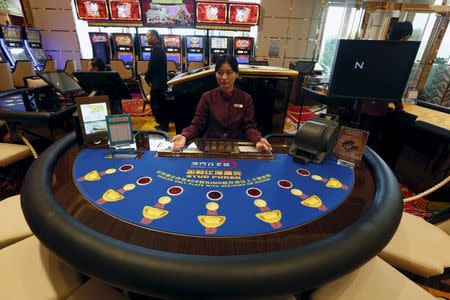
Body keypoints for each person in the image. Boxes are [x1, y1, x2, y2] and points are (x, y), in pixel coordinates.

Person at [172, 55, 271, 152]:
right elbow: (197, 124)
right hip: (211, 148)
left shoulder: (246, 99)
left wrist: (258, 139)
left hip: (236, 148)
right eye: (220, 72)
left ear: (236, 74)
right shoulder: (207, 97)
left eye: (229, 73)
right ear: (215, 74)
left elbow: (249, 127)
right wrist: (185, 135)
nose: (224, 77)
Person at [360, 21, 413, 149]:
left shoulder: (377, 50)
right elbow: (393, 87)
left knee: (357, 142)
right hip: (375, 110)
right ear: (404, 37)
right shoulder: (397, 57)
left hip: (360, 105)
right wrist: (399, 108)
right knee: (367, 147)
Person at [145, 29, 169, 132]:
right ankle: (163, 125)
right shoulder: (159, 48)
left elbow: (153, 66)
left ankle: (163, 126)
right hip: (160, 82)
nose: (147, 38)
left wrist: (147, 77)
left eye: (148, 36)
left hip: (158, 83)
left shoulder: (157, 50)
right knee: (159, 104)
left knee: (156, 105)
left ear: (154, 37)